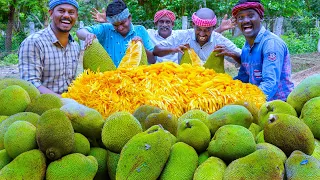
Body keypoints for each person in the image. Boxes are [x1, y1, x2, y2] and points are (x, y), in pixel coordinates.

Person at [90, 8, 236, 64]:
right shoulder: (149, 34)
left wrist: (220, 30)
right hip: (158, 75)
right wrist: (110, 23)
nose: (164, 25)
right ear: (156, 24)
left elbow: (203, 35)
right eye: (161, 22)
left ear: (173, 25)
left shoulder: (180, 35)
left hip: (189, 77)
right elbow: (154, 50)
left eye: (168, 22)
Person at [231, 0, 294, 101]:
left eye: (250, 16)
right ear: (237, 22)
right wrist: (224, 86)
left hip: (279, 104)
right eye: (240, 17)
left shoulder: (271, 44)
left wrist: (248, 102)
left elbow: (270, 83)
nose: (245, 20)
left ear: (260, 17)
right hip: (259, 103)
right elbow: (243, 78)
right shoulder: (246, 47)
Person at [18, 0, 80, 97]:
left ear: (76, 16)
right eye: (61, 11)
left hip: (71, 106)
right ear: (51, 13)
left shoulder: (75, 46)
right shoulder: (34, 42)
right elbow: (30, 83)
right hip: (42, 107)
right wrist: (63, 100)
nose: (67, 16)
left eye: (71, 12)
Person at [77, 0, 156, 66]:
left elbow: (153, 60)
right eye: (115, 25)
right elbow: (80, 32)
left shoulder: (140, 30)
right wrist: (88, 35)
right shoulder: (105, 29)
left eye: (123, 23)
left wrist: (141, 47)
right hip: (111, 81)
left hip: (135, 80)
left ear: (130, 17)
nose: (120, 28)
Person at [153, 8, 242, 65]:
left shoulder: (220, 40)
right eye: (198, 29)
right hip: (186, 83)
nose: (202, 34)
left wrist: (231, 54)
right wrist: (174, 49)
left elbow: (245, 60)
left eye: (207, 30)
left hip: (211, 85)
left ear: (213, 28)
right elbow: (156, 50)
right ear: (193, 25)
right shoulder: (182, 36)